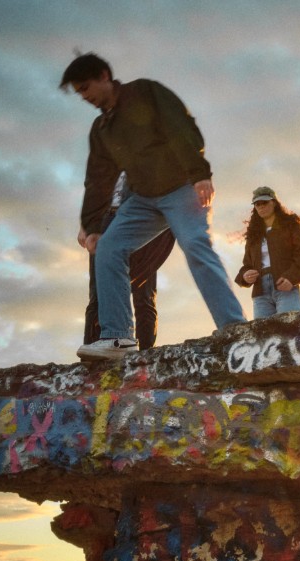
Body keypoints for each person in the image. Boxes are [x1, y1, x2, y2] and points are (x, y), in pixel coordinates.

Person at [60, 52, 246, 361]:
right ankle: (118, 336)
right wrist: (92, 226)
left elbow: (180, 125)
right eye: (79, 93)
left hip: (180, 189)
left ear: (104, 76)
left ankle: (234, 329)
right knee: (108, 248)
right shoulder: (101, 129)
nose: (84, 97)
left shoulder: (144, 92)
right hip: (143, 200)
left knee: (196, 244)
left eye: (85, 87)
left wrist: (199, 173)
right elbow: (98, 178)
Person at [80, 172, 175, 350]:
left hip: (141, 218)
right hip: (105, 219)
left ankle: (145, 357)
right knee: (99, 294)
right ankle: (92, 358)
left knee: (144, 294)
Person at [235, 186, 300, 318]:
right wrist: (245, 275)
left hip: (285, 286)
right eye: (257, 204)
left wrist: (291, 278)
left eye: (264, 202)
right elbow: (247, 265)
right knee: (263, 336)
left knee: (289, 331)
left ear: (274, 203)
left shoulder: (291, 225)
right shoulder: (253, 234)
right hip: (260, 291)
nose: (261, 207)